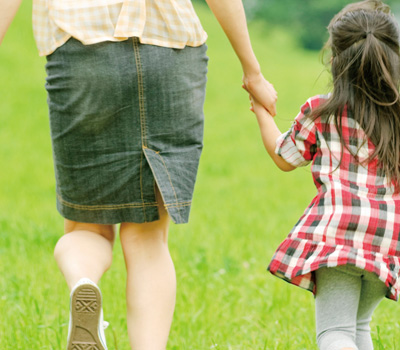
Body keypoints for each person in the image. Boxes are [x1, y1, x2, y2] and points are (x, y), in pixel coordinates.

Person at [0, 0, 276, 349]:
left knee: (87, 227)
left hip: (83, 58)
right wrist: (252, 71)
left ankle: (84, 282)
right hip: (171, 58)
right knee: (148, 238)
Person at [248, 1, 400, 349]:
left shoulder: (320, 112)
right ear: (393, 61)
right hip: (386, 245)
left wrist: (261, 111)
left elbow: (285, 156)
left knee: (335, 334)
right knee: (358, 327)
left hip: (339, 239)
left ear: (335, 61)